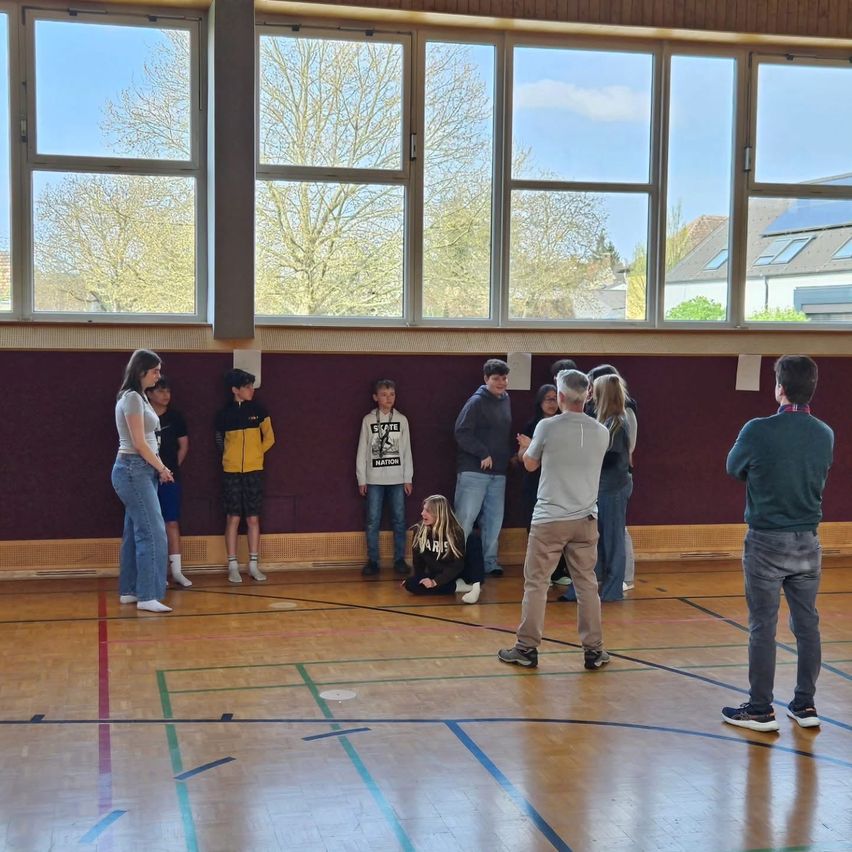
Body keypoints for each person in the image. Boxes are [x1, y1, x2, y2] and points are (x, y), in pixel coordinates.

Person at [722, 355, 833, 732]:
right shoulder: (824, 433)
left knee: (762, 627)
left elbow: (734, 468)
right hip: (809, 541)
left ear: (780, 389)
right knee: (808, 625)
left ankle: (760, 708)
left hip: (766, 540)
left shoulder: (756, 429)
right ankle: (805, 705)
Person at [498, 369, 611, 670]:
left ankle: (526, 648)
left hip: (549, 519)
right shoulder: (602, 431)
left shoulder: (547, 427)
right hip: (586, 518)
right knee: (587, 585)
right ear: (587, 396)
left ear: (560, 396)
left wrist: (525, 449)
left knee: (536, 583)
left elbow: (531, 465)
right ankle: (594, 651)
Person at [111, 349, 174, 613]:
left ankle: (130, 590)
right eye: (155, 371)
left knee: (135, 531)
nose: (159, 376)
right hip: (133, 469)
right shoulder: (133, 399)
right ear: (141, 371)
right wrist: (162, 468)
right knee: (152, 531)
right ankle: (148, 594)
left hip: (139, 470)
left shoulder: (140, 398)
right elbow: (138, 443)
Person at [215, 368, 275, 584]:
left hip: (254, 470)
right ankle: (232, 565)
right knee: (233, 517)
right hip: (231, 471)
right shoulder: (224, 414)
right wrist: (229, 458)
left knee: (252, 518)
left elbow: (269, 438)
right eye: (247, 387)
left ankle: (253, 564)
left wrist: (256, 453)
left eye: (252, 386)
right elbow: (219, 440)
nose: (251, 390)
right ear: (235, 390)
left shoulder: (259, 410)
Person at [454, 358, 512, 577]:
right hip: (474, 472)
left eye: (504, 378)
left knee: (494, 520)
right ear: (486, 379)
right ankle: (457, 564)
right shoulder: (476, 402)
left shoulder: (506, 399)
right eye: (496, 378)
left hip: (498, 473)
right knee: (466, 519)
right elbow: (461, 432)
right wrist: (482, 452)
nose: (501, 382)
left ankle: (489, 562)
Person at [586, 364, 638, 591]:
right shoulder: (606, 421)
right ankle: (600, 579)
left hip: (613, 487)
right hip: (603, 486)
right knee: (600, 536)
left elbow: (609, 457)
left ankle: (615, 585)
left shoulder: (617, 422)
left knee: (614, 537)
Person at [356, 379, 414, 576]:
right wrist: (361, 479)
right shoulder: (368, 420)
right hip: (374, 479)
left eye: (392, 395)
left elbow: (407, 451)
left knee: (399, 519)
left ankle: (399, 559)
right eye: (384, 395)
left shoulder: (402, 420)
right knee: (373, 520)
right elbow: (362, 451)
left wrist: (408, 477)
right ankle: (373, 560)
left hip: (397, 478)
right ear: (375, 398)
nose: (388, 398)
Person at [520, 385, 570, 586]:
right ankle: (541, 573)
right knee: (537, 529)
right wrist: (530, 448)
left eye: (554, 399)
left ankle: (558, 571)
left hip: (558, 483)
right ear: (540, 402)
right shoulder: (532, 424)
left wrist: (532, 445)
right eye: (547, 399)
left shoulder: (564, 425)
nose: (551, 403)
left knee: (558, 529)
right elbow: (523, 458)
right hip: (535, 483)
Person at [146, 376, 192, 587]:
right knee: (151, 526)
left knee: (171, 522)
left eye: (168, 391)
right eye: (161, 391)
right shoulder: (144, 417)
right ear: (149, 393)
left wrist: (170, 469)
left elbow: (183, 446)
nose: (166, 395)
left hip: (170, 478)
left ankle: (177, 571)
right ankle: (158, 572)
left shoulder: (176, 417)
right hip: (146, 478)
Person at [403, 495, 484, 604]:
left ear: (439, 513)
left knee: (474, 538)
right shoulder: (420, 529)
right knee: (410, 584)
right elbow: (418, 559)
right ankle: (457, 587)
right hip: (439, 573)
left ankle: (475, 588)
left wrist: (435, 582)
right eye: (423, 509)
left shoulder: (455, 531)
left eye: (427, 511)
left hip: (459, 571)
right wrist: (418, 578)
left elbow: (457, 564)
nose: (422, 513)